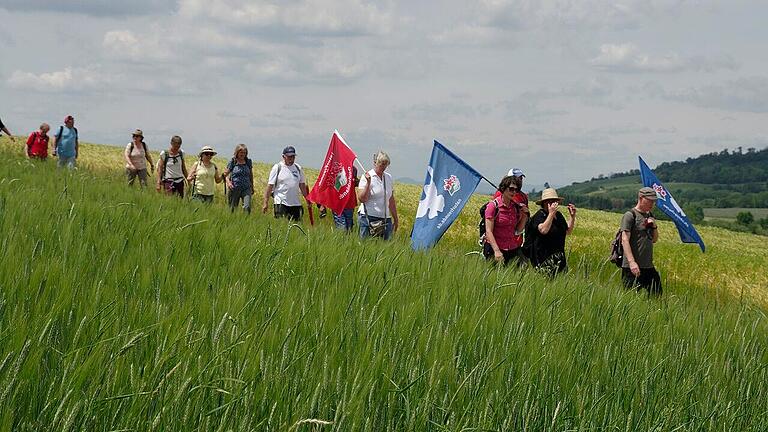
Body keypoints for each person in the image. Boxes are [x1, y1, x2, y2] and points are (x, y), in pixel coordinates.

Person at [523, 187, 577, 276]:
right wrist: (551, 214)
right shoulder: (539, 216)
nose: (553, 204)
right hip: (543, 259)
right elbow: (543, 230)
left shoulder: (558, 215)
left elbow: (567, 231)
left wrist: (572, 217)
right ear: (544, 203)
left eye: (555, 201)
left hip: (559, 258)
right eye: (550, 201)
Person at [621, 187, 662, 295]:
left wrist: (654, 226)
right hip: (632, 267)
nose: (652, 203)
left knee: (657, 295)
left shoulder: (650, 216)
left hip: (648, 266)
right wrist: (632, 262)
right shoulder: (630, 215)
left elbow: (654, 239)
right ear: (641, 198)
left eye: (653, 201)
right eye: (649, 200)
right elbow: (624, 240)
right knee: (630, 298)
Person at [483, 175, 529, 265]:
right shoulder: (493, 206)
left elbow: (518, 231)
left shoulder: (515, 207)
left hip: (512, 247)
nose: (514, 192)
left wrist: (525, 216)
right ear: (503, 188)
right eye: (511, 189)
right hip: (495, 248)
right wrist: (496, 251)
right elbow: (488, 231)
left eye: (516, 190)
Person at [357, 151, 399, 240]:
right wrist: (368, 183)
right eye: (381, 164)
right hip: (369, 217)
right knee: (365, 245)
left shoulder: (388, 177)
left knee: (385, 246)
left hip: (385, 218)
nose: (383, 167)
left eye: (386, 165)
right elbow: (362, 199)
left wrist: (395, 218)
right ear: (375, 163)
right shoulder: (367, 176)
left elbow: (390, 200)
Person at [263, 146, 309, 221]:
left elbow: (302, 185)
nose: (291, 159)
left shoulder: (298, 168)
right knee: (282, 226)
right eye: (289, 157)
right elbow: (270, 186)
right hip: (281, 203)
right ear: (283, 156)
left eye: (293, 156)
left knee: (295, 227)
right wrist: (265, 202)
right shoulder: (277, 167)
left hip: (295, 204)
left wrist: (307, 199)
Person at [223, 144, 254, 213]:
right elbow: (225, 175)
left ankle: (246, 222)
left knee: (247, 207)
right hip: (234, 188)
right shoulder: (233, 162)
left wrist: (252, 186)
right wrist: (228, 182)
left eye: (244, 153)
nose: (243, 154)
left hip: (246, 188)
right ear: (237, 152)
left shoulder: (248, 162)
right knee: (232, 209)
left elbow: (251, 175)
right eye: (241, 152)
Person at [333, 165, 359, 232]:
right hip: (338, 203)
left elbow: (354, 182)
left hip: (349, 203)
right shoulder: (336, 168)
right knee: (341, 228)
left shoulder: (354, 169)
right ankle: (341, 241)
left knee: (349, 227)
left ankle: (347, 241)